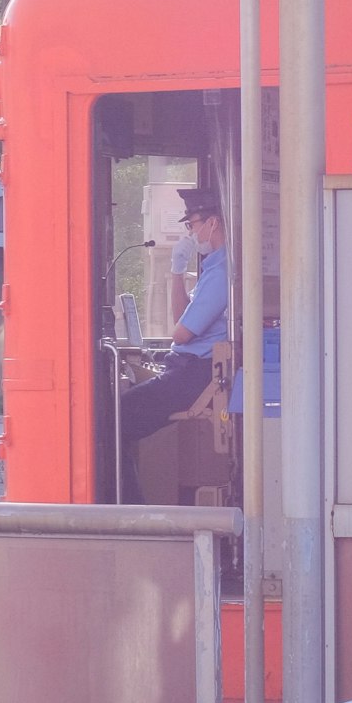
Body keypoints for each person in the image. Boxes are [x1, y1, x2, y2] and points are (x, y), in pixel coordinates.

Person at [120, 187, 228, 502]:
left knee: (114, 421)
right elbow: (181, 317)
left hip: (193, 373)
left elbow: (181, 335)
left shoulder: (223, 273)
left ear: (214, 223)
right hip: (188, 368)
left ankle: (128, 511)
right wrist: (177, 271)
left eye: (193, 225)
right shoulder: (212, 268)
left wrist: (180, 332)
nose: (190, 233)